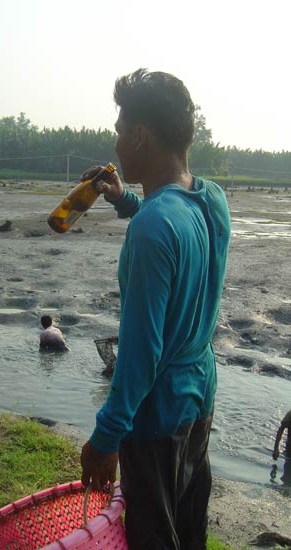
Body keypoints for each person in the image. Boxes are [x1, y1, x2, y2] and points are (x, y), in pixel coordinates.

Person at [80, 69, 231, 550]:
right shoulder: (211, 200)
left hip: (156, 414)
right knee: (188, 527)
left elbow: (141, 352)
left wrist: (106, 439)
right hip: (198, 397)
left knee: (152, 536)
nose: (117, 141)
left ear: (140, 134)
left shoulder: (150, 231)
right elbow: (170, 217)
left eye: (120, 130)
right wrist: (122, 197)